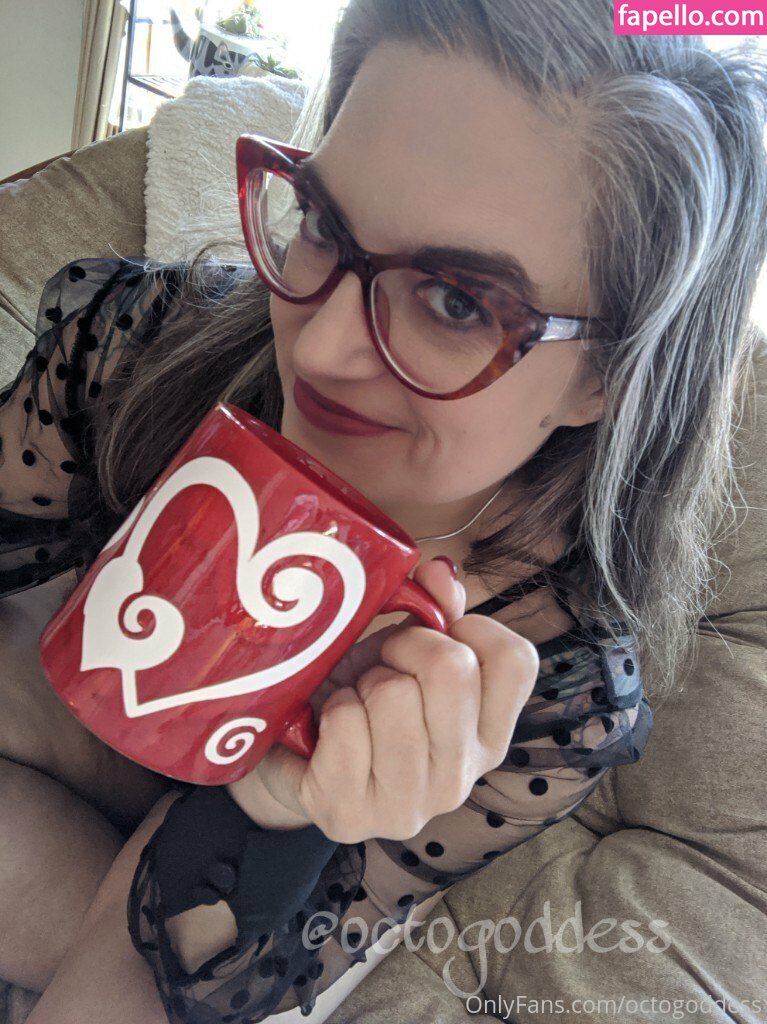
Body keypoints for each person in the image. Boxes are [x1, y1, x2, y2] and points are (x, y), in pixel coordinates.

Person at [0, 0, 765, 1021]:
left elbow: (202, 972)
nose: (315, 348)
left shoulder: (543, 689)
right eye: (322, 222)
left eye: (456, 301)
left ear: (609, 379)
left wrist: (280, 811)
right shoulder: (139, 351)